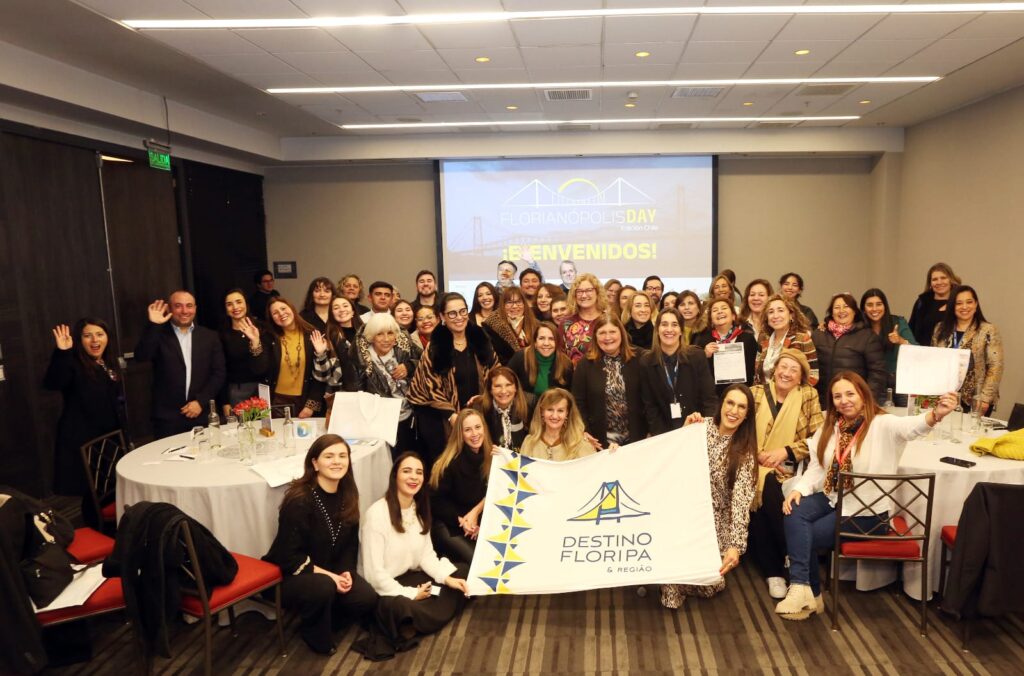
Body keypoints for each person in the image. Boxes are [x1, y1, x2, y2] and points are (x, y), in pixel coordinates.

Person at [775, 374, 957, 620]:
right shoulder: (830, 426)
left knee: (803, 534)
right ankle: (803, 590)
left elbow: (912, 427)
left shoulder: (883, 424)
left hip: (869, 513)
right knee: (794, 510)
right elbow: (818, 467)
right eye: (837, 396)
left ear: (863, 395)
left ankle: (809, 594)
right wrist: (800, 489)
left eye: (850, 394)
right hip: (834, 498)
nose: (844, 401)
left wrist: (937, 414)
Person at [263, 435, 377, 655]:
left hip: (329, 570)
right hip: (290, 574)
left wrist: (345, 573)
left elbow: (350, 545)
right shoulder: (300, 500)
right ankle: (312, 630)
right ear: (315, 463)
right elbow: (288, 557)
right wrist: (331, 578)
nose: (337, 461)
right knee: (324, 586)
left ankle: (323, 613)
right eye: (329, 456)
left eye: (343, 456)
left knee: (366, 598)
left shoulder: (348, 494)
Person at [357, 452, 469, 660]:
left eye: (419, 472)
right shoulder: (377, 514)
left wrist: (447, 578)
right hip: (386, 588)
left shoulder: (419, 508)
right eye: (407, 471)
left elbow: (427, 555)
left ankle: (417, 621)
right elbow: (374, 576)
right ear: (395, 476)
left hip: (412, 576)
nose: (414, 477)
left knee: (462, 572)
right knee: (397, 607)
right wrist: (411, 594)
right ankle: (417, 617)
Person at [660, 384, 758, 609]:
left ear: (747, 415)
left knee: (712, 584)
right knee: (671, 594)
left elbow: (741, 504)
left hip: (716, 522)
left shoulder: (744, 453)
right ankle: (670, 575)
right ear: (721, 404)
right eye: (730, 403)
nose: (734, 411)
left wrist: (735, 546)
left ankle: (674, 574)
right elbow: (671, 462)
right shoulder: (699, 426)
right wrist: (683, 431)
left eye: (741, 407)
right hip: (683, 511)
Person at [747, 349, 824, 600]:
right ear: (774, 368)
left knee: (767, 485)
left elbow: (818, 438)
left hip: (792, 467)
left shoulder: (808, 396)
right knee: (765, 482)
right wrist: (758, 455)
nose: (786, 373)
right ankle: (788, 557)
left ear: (801, 376)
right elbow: (740, 431)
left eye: (794, 369)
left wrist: (787, 451)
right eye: (783, 366)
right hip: (753, 462)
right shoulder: (756, 392)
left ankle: (774, 570)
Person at [44, 319, 125, 526]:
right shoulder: (74, 363)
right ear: (80, 340)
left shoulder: (107, 363)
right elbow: (53, 382)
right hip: (83, 439)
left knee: (107, 490)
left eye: (100, 334)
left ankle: (109, 530)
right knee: (92, 492)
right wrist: (62, 352)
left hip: (108, 439)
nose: (95, 340)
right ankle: (96, 531)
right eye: (88, 335)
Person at [409, 292, 499, 471]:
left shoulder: (481, 340)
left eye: (463, 311)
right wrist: (452, 416)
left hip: (478, 413)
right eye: (452, 313)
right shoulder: (435, 347)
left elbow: (496, 372)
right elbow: (430, 385)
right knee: (449, 468)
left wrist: (484, 397)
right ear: (442, 317)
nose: (459, 317)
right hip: (441, 418)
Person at [135, 291, 225, 437]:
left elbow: (219, 373)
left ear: (195, 308)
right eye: (178, 306)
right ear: (169, 309)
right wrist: (154, 325)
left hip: (200, 413)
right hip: (167, 418)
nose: (184, 311)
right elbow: (141, 356)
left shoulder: (210, 336)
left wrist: (200, 401)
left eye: (189, 306)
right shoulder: (159, 334)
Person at [334, 313, 419, 456]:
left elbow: (427, 363)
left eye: (390, 333)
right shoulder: (359, 359)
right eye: (380, 334)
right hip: (379, 422)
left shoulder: (405, 349)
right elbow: (355, 392)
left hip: (409, 417)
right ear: (371, 336)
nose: (386, 339)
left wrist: (410, 366)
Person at [572, 314, 646, 450]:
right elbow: (578, 402)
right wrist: (585, 430)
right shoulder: (585, 365)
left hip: (639, 440)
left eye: (612, 332)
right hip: (601, 443)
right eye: (602, 333)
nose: (607, 337)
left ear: (621, 333)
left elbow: (650, 398)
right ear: (595, 336)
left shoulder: (641, 358)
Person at [640, 308, 718, 435]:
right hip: (664, 434)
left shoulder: (697, 356)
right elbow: (650, 407)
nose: (669, 329)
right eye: (664, 324)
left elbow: (709, 399)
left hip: (697, 429)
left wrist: (707, 430)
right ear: (657, 330)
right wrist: (667, 438)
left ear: (681, 330)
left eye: (674, 324)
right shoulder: (646, 362)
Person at [429, 409, 492, 564]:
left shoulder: (491, 456)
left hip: (476, 522)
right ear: (460, 434)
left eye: (478, 427)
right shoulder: (449, 463)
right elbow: (435, 502)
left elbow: (495, 491)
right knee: (480, 563)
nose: (474, 434)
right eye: (468, 430)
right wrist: (463, 522)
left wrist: (475, 514)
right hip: (450, 524)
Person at [931, 285, 1003, 414]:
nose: (964, 307)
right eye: (959, 303)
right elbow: (934, 361)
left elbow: (996, 366)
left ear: (976, 305)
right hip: (945, 396)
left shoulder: (988, 330)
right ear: (952, 306)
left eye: (969, 302)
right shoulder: (940, 329)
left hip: (976, 397)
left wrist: (985, 398)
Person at [256, 297, 326, 418]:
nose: (281, 314)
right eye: (275, 313)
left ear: (292, 309)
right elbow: (260, 369)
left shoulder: (312, 333)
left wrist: (311, 405)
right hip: (277, 401)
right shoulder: (269, 337)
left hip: (305, 400)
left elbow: (321, 374)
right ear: (272, 318)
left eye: (283, 308)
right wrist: (255, 342)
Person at [812, 293, 887, 404]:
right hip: (822, 401)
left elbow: (877, 373)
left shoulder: (867, 336)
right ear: (831, 313)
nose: (841, 311)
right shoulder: (819, 334)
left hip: (853, 402)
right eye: (837, 307)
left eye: (846, 306)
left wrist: (867, 400)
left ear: (854, 311)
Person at [860, 288, 916, 405]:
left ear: (885, 306)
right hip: (874, 383)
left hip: (900, 381)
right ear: (864, 309)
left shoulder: (897, 322)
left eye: (879, 304)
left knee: (905, 419)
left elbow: (916, 348)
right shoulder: (859, 327)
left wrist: (900, 340)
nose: (874, 309)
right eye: (870, 305)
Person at [693, 299, 759, 393]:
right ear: (711, 319)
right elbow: (695, 372)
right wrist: (704, 355)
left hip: (741, 393)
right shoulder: (703, 340)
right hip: (713, 395)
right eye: (715, 310)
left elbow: (754, 370)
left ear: (733, 316)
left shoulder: (748, 339)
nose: (719, 311)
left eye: (724, 308)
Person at [219, 289, 266, 416]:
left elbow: (263, 367)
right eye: (229, 304)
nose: (235, 307)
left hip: (263, 388)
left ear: (246, 304)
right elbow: (221, 371)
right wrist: (225, 402)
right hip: (236, 391)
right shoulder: (222, 335)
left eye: (239, 302)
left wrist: (255, 341)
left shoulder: (262, 328)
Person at [755, 294, 818, 386]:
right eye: (771, 312)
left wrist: (795, 396)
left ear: (791, 315)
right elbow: (757, 373)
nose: (775, 316)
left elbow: (813, 376)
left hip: (793, 397)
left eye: (780, 310)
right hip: (764, 395)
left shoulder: (802, 339)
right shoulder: (764, 339)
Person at [520, 388, 594, 461]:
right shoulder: (529, 442)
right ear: (542, 411)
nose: (555, 416)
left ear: (567, 413)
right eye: (550, 409)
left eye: (560, 411)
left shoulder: (581, 444)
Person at [471, 366, 535, 451]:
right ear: (490, 389)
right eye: (498, 386)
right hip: (492, 457)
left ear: (516, 387)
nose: (503, 391)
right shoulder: (479, 408)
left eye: (508, 385)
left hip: (523, 457)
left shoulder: (530, 403)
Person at [508, 321, 572, 395]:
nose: (546, 343)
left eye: (551, 339)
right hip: (526, 405)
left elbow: (569, 395)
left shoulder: (566, 364)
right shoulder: (520, 358)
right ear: (535, 342)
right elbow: (507, 383)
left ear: (557, 342)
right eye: (541, 338)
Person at [908, 262, 961, 347]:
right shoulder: (922, 302)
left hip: (949, 355)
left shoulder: (959, 302)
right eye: (935, 279)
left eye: (943, 278)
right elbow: (911, 330)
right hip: (921, 354)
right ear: (930, 283)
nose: (939, 282)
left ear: (951, 280)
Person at [561, 273, 608, 364]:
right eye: (579, 291)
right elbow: (560, 356)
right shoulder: (566, 323)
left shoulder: (609, 320)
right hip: (574, 376)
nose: (584, 295)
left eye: (589, 290)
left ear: (597, 292)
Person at [482, 286, 536, 365]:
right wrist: (515, 332)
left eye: (518, 302)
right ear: (503, 305)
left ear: (524, 304)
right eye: (509, 302)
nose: (514, 306)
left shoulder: (534, 324)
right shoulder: (491, 327)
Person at [739, 279, 773, 343]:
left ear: (769, 298)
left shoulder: (775, 322)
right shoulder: (738, 323)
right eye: (752, 295)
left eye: (761, 295)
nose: (756, 298)